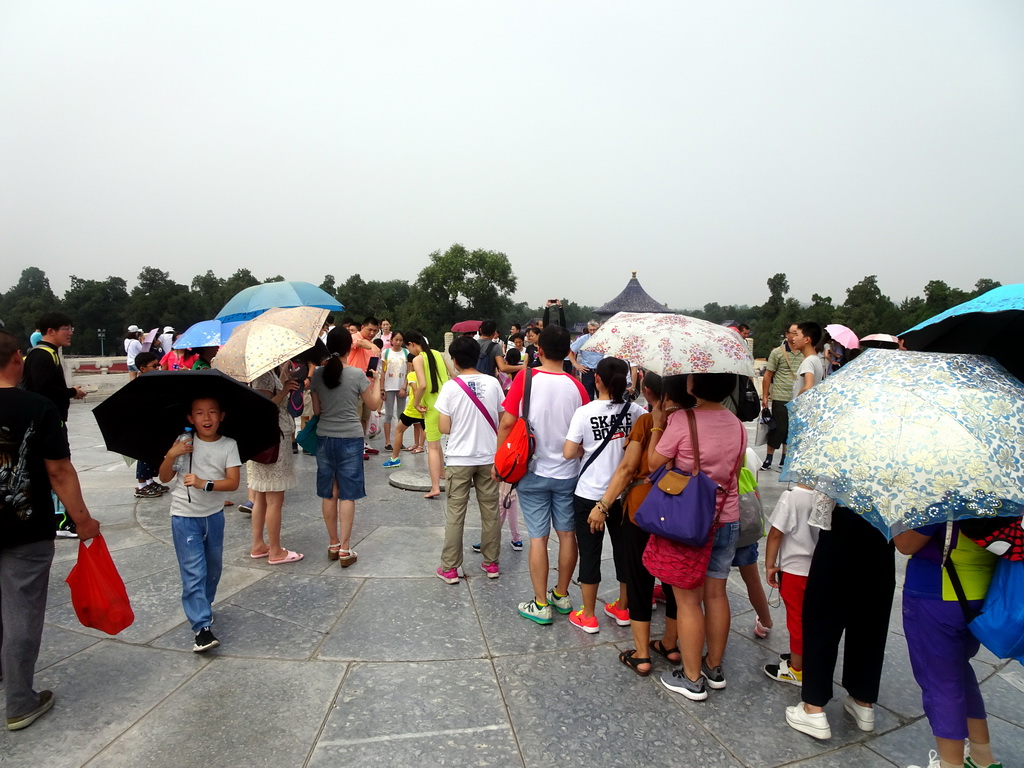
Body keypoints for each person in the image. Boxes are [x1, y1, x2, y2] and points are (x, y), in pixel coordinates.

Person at [0, 328, 100, 731]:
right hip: (25, 526)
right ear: (17, 359)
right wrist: (82, 519)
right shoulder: (37, 407)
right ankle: (21, 700)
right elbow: (58, 471)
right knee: (21, 608)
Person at [647, 373, 747, 701]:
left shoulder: (681, 420)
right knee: (716, 594)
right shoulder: (736, 423)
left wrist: (658, 424)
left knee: (689, 600)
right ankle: (713, 668)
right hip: (727, 517)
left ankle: (691, 679)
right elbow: (737, 466)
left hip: (691, 523)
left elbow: (654, 464)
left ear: (694, 384)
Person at [499, 325, 588, 625]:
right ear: (568, 353)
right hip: (568, 473)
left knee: (538, 537)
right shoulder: (577, 387)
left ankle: (540, 603)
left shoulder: (526, 378)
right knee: (567, 534)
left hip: (532, 469)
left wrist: (499, 461)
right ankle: (561, 594)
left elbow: (508, 423)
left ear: (539, 351)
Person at [894, 524, 1003, 768]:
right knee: (958, 672)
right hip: (978, 591)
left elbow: (905, 544)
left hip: (937, 591)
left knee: (939, 681)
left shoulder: (944, 491)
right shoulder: (999, 492)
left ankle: (950, 763)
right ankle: (982, 758)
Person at [784, 504, 895, 740]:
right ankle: (863, 701)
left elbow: (824, 504)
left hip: (843, 524)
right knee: (871, 620)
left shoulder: (843, 465)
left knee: (822, 617)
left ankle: (813, 707)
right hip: (883, 529)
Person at [562, 357, 646, 634]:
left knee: (590, 552)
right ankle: (623, 607)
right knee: (625, 551)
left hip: (589, 494)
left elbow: (569, 452)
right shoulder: (637, 412)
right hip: (624, 496)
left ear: (596, 379)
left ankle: (588, 614)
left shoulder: (584, 413)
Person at [158, 395, 240, 652]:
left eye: (213, 412)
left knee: (213, 569)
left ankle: (204, 607)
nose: (207, 418)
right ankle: (201, 628)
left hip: (214, 516)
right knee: (194, 572)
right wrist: (172, 454)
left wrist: (205, 483)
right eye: (200, 413)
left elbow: (233, 482)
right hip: (184, 517)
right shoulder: (183, 443)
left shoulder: (228, 445)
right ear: (190, 419)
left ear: (221, 416)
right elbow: (163, 478)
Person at [434, 336, 504, 583]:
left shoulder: (451, 387)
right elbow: (503, 418)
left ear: (454, 361)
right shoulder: (493, 383)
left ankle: (451, 568)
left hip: (459, 459)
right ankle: (491, 563)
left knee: (455, 512)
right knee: (490, 511)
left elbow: (444, 427)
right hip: (489, 457)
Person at [311, 328, 381, 567]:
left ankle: (332, 544)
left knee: (329, 492)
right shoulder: (357, 374)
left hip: (324, 438)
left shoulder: (318, 375)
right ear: (349, 347)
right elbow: (373, 404)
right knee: (348, 494)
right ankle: (345, 549)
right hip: (350, 438)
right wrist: (377, 380)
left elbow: (317, 411)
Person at [21, 311, 87, 538]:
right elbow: (42, 390)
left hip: (51, 421)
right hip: (47, 425)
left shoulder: (48, 353)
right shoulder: (42, 355)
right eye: (66, 328)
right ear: (51, 331)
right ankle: (61, 520)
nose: (70, 333)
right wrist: (72, 392)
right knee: (58, 469)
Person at [762, 485, 822, 686]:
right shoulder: (828, 496)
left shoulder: (792, 497)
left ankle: (797, 669)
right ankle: (806, 657)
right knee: (812, 617)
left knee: (796, 619)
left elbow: (776, 533)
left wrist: (770, 565)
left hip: (795, 569)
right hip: (819, 568)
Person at [247, 365, 303, 564]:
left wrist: (283, 376)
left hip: (263, 437)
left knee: (261, 495)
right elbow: (265, 406)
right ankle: (276, 550)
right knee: (274, 499)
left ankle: (258, 544)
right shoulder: (262, 375)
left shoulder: (264, 372)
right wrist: (285, 390)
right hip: (272, 437)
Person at [405, 330, 450, 498]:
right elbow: (452, 375)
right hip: (446, 405)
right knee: (436, 444)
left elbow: (422, 385)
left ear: (411, 344)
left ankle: (435, 487)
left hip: (431, 407)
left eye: (407, 347)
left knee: (431, 447)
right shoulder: (438, 354)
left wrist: (416, 403)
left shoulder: (417, 359)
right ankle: (443, 474)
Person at [760, 323, 802, 470]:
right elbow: (768, 374)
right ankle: (768, 458)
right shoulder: (777, 353)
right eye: (793, 333)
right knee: (778, 429)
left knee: (791, 430)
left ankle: (784, 458)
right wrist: (765, 396)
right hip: (780, 396)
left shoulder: (805, 353)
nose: (795, 336)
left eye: (798, 334)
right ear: (787, 334)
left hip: (798, 397)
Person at [131, 352, 168, 499]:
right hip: (143, 426)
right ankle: (141, 485)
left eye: (158, 365)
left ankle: (150, 480)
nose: (158, 368)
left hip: (154, 424)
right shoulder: (140, 384)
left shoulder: (153, 381)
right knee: (144, 454)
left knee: (154, 453)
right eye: (154, 366)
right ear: (143, 368)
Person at [382, 364, 425, 466]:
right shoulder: (428, 374)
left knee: (398, 430)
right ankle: (441, 463)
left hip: (413, 409)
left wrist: (416, 403)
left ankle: (394, 459)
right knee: (430, 434)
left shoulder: (412, 374)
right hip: (427, 408)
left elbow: (415, 390)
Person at [379, 331, 408, 451]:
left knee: (401, 415)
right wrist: (382, 388)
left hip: (401, 386)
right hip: (389, 386)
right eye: (396, 340)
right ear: (391, 340)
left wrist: (404, 387)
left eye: (400, 340)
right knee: (389, 415)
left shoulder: (406, 352)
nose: (398, 342)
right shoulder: (386, 353)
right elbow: (383, 371)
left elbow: (409, 372)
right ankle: (387, 442)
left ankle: (399, 440)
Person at [569, 320, 604, 400]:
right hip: (588, 370)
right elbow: (570, 352)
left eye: (594, 330)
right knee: (588, 396)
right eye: (590, 330)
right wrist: (577, 366)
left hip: (601, 370)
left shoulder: (604, 339)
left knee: (602, 395)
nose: (592, 332)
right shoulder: (583, 339)